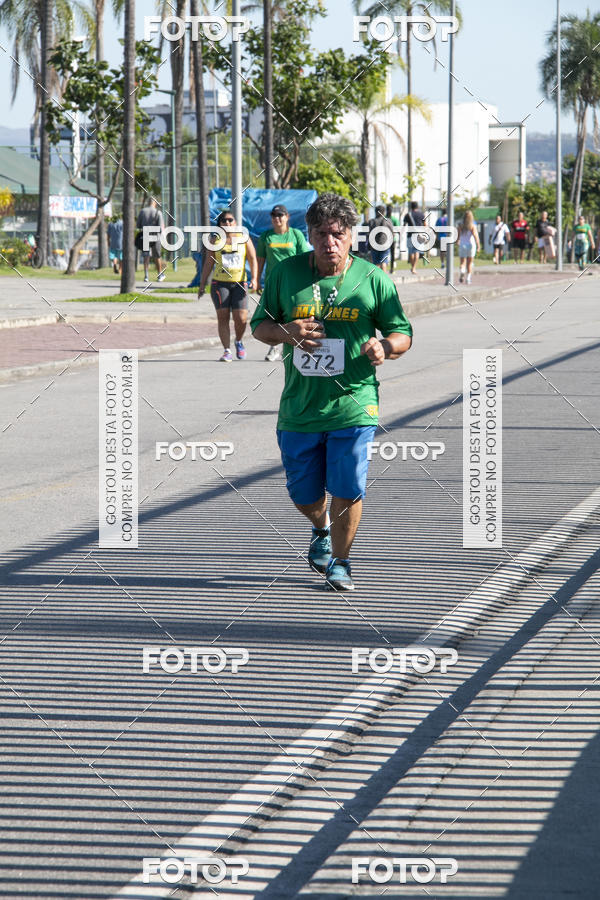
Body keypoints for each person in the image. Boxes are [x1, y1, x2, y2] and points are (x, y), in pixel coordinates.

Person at [251, 192, 413, 592]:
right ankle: (320, 528)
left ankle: (341, 561)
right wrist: (286, 332)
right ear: (309, 233)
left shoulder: (373, 279)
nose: (329, 243)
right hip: (300, 407)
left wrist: (385, 346)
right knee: (303, 493)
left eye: (338, 234)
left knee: (347, 487)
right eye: (321, 234)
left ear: (351, 235)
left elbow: (402, 332)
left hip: (355, 403)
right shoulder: (286, 274)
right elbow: (259, 327)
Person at [197, 210, 258, 361]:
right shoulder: (215, 241)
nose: (228, 223)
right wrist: (202, 284)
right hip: (220, 283)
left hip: (239, 283)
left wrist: (255, 278)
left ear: (236, 223)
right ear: (220, 224)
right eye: (224, 221)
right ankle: (226, 350)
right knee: (223, 316)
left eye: (231, 220)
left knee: (241, 318)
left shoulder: (243, 238)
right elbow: (208, 263)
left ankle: (238, 341)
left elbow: (252, 258)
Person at [256, 204, 310, 362]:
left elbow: (305, 259)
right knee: (272, 315)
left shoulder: (296, 235)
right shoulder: (266, 236)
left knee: (291, 313)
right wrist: (257, 279)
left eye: (280, 215)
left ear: (287, 217)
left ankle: (295, 343)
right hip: (273, 283)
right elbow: (260, 260)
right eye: (274, 215)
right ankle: (274, 347)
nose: (277, 218)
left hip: (294, 282)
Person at [136, 197, 166, 282]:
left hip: (145, 235)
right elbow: (161, 228)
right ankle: (160, 275)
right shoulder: (158, 212)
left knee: (146, 256)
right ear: (155, 203)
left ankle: (146, 276)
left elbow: (138, 225)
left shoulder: (142, 211)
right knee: (157, 256)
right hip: (155, 236)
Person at [368, 204, 395, 271]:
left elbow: (369, 234)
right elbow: (392, 233)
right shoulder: (388, 220)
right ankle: (384, 278)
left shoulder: (372, 221)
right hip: (385, 244)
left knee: (376, 263)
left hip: (374, 245)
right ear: (384, 212)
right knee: (383, 261)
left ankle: (377, 278)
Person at [403, 200, 426, 274]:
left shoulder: (407, 215)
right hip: (418, 235)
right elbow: (425, 225)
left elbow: (404, 225)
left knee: (411, 252)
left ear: (411, 207)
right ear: (417, 207)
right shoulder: (421, 214)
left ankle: (413, 267)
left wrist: (401, 233)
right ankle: (414, 267)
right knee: (417, 252)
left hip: (410, 235)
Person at [458, 210, 480, 284]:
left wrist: (458, 241)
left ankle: (462, 271)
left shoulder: (460, 225)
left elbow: (458, 235)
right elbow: (475, 236)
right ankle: (468, 278)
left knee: (462, 262)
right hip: (471, 245)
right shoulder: (472, 226)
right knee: (470, 263)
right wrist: (478, 245)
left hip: (462, 244)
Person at [386, 203, 400, 271]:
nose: (389, 211)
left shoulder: (394, 219)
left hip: (392, 239)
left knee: (392, 253)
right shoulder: (385, 218)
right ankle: (386, 266)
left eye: (390, 210)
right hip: (385, 239)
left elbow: (398, 229)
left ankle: (392, 268)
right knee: (387, 253)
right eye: (389, 210)